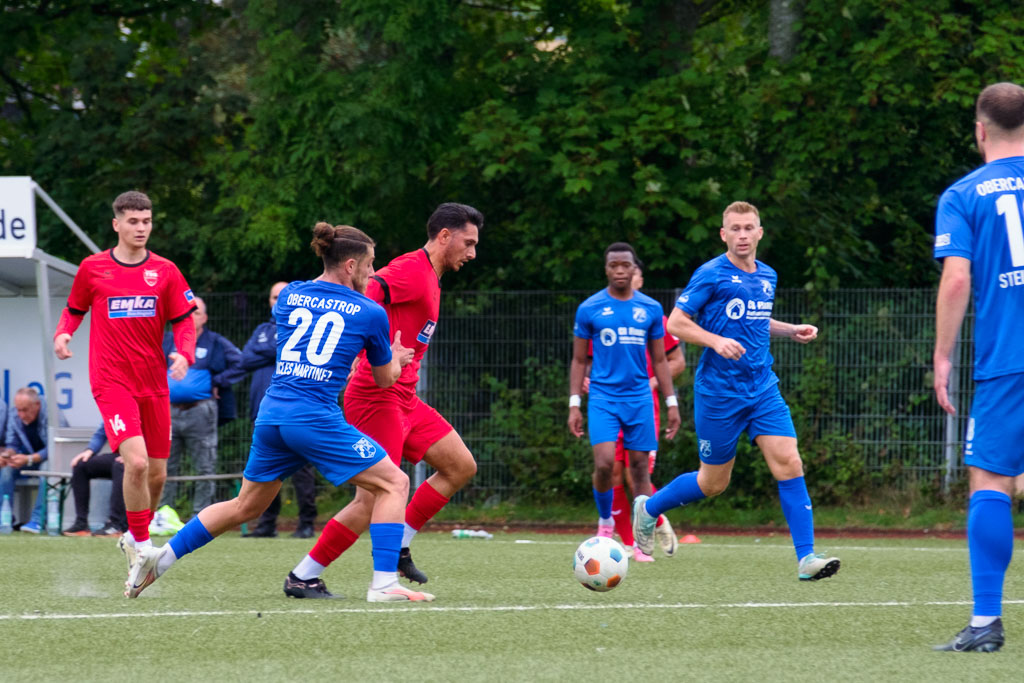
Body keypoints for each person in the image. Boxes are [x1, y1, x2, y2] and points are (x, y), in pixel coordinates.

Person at [127, 222, 431, 603]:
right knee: (394, 483)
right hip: (313, 417)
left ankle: (160, 559)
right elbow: (385, 380)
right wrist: (400, 359)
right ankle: (384, 584)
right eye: (370, 265)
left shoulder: (290, 295)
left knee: (246, 505)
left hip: (272, 415)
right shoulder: (370, 312)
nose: (373, 274)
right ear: (351, 265)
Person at [633, 201, 840, 583]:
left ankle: (807, 558)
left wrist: (790, 329)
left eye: (749, 228)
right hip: (719, 394)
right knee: (713, 484)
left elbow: (755, 319)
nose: (742, 235)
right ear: (723, 235)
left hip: (762, 388)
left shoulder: (768, 276)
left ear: (760, 232)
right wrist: (714, 341)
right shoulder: (711, 273)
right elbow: (677, 323)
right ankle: (649, 509)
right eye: (735, 229)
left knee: (789, 461)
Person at [286, 202, 483, 590]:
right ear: (444, 236)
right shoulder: (411, 269)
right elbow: (365, 292)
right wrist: (371, 352)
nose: (473, 253)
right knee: (371, 498)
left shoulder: (430, 275)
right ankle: (304, 575)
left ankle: (401, 547)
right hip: (376, 395)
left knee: (460, 466)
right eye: (469, 242)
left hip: (405, 398)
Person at [53, 190, 197, 582]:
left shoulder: (165, 270)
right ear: (117, 224)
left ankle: (133, 539)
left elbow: (184, 319)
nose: (141, 228)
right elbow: (74, 308)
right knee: (135, 462)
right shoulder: (93, 268)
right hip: (111, 379)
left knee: (157, 474)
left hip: (153, 382)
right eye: (133, 221)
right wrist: (63, 334)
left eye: (146, 221)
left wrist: (185, 352)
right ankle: (140, 543)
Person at [931, 82, 1024, 653]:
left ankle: (986, 623)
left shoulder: (964, 194)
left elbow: (958, 278)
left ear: (980, 130)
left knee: (991, 480)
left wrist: (942, 355)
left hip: (1006, 360)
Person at [568, 243, 682, 559]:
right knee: (605, 464)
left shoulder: (651, 309)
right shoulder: (589, 308)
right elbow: (579, 360)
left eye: (625, 265)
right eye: (614, 265)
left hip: (640, 399)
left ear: (634, 270)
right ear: (606, 269)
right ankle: (606, 521)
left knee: (640, 470)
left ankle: (642, 542)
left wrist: (671, 403)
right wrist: (574, 403)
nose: (620, 270)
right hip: (604, 397)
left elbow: (661, 361)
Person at [241, 281, 319, 539]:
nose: (277, 300)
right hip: (262, 410)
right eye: (274, 296)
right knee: (266, 472)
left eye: (282, 296)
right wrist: (275, 351)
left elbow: (278, 352)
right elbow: (245, 358)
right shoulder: (262, 329)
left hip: (295, 411)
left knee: (302, 471)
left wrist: (268, 351)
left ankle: (306, 523)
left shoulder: (305, 327)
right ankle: (266, 524)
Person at [158, 296, 244, 519]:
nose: (190, 316)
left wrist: (218, 381)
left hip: (201, 411)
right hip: (168, 412)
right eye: (186, 312)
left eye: (195, 313)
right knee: (166, 465)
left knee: (205, 465)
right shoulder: (168, 340)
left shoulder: (214, 341)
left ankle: (200, 517)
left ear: (204, 318)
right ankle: (164, 515)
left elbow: (241, 362)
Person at [1, 387, 67, 533]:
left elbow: (56, 445)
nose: (21, 415)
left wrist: (30, 459)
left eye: (25, 410)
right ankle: (5, 519)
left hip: (55, 460)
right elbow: (12, 444)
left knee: (46, 466)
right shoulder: (14, 415)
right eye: (18, 410)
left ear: (37, 405)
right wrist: (8, 455)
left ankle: (37, 521)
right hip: (28, 460)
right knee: (6, 468)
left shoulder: (52, 413)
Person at [61, 424, 128, 537]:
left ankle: (117, 525)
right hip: (122, 456)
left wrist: (135, 455)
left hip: (147, 457)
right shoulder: (114, 407)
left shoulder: (142, 408)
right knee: (81, 465)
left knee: (119, 466)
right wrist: (90, 449)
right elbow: (102, 431)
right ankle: (81, 523)